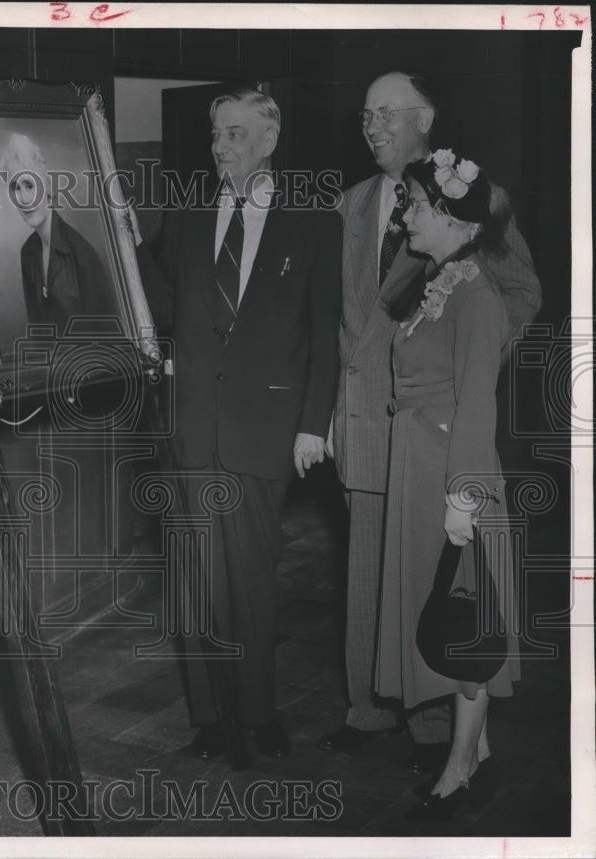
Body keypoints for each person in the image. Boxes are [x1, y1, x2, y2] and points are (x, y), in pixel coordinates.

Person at [320, 71, 540, 776]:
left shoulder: (475, 201)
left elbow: (522, 293)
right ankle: (369, 705)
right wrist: (330, 411)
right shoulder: (353, 202)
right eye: (365, 115)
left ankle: (438, 727)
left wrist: (459, 372)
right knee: (370, 576)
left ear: (425, 120)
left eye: (387, 113)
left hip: (434, 428)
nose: (372, 127)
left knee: (437, 580)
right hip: (366, 417)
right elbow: (338, 321)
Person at [132, 87, 342, 763]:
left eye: (235, 134)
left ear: (269, 140)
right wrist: (125, 246)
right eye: (216, 134)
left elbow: (325, 333)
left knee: (250, 579)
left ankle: (256, 712)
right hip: (193, 424)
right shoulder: (187, 215)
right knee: (196, 579)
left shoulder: (313, 222)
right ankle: (210, 718)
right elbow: (164, 310)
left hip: (267, 427)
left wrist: (314, 423)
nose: (220, 146)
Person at [375, 149, 519, 821]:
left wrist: (464, 498)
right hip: (421, 468)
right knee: (445, 622)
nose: (405, 215)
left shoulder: (477, 297)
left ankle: (457, 771)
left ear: (457, 218)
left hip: (453, 479)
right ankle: (478, 756)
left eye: (415, 205)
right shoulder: (441, 284)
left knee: (466, 631)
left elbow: (477, 406)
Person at [0, 133, 113, 334]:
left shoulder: (83, 256)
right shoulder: (28, 252)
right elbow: (37, 335)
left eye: (29, 185)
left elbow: (105, 335)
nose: (24, 198)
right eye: (15, 188)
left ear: (46, 186)